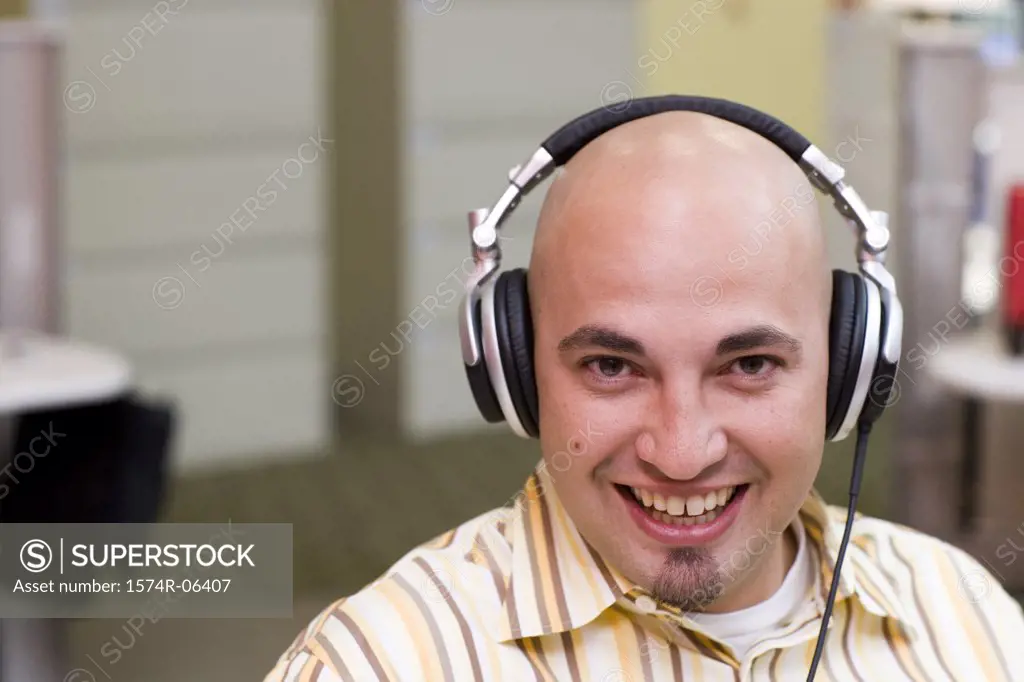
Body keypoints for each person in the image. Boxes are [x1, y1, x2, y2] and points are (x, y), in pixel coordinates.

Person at [263, 109, 1024, 681]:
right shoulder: (375, 663)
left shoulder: (966, 616)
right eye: (611, 367)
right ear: (515, 373)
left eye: (750, 365)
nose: (683, 452)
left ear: (849, 366)